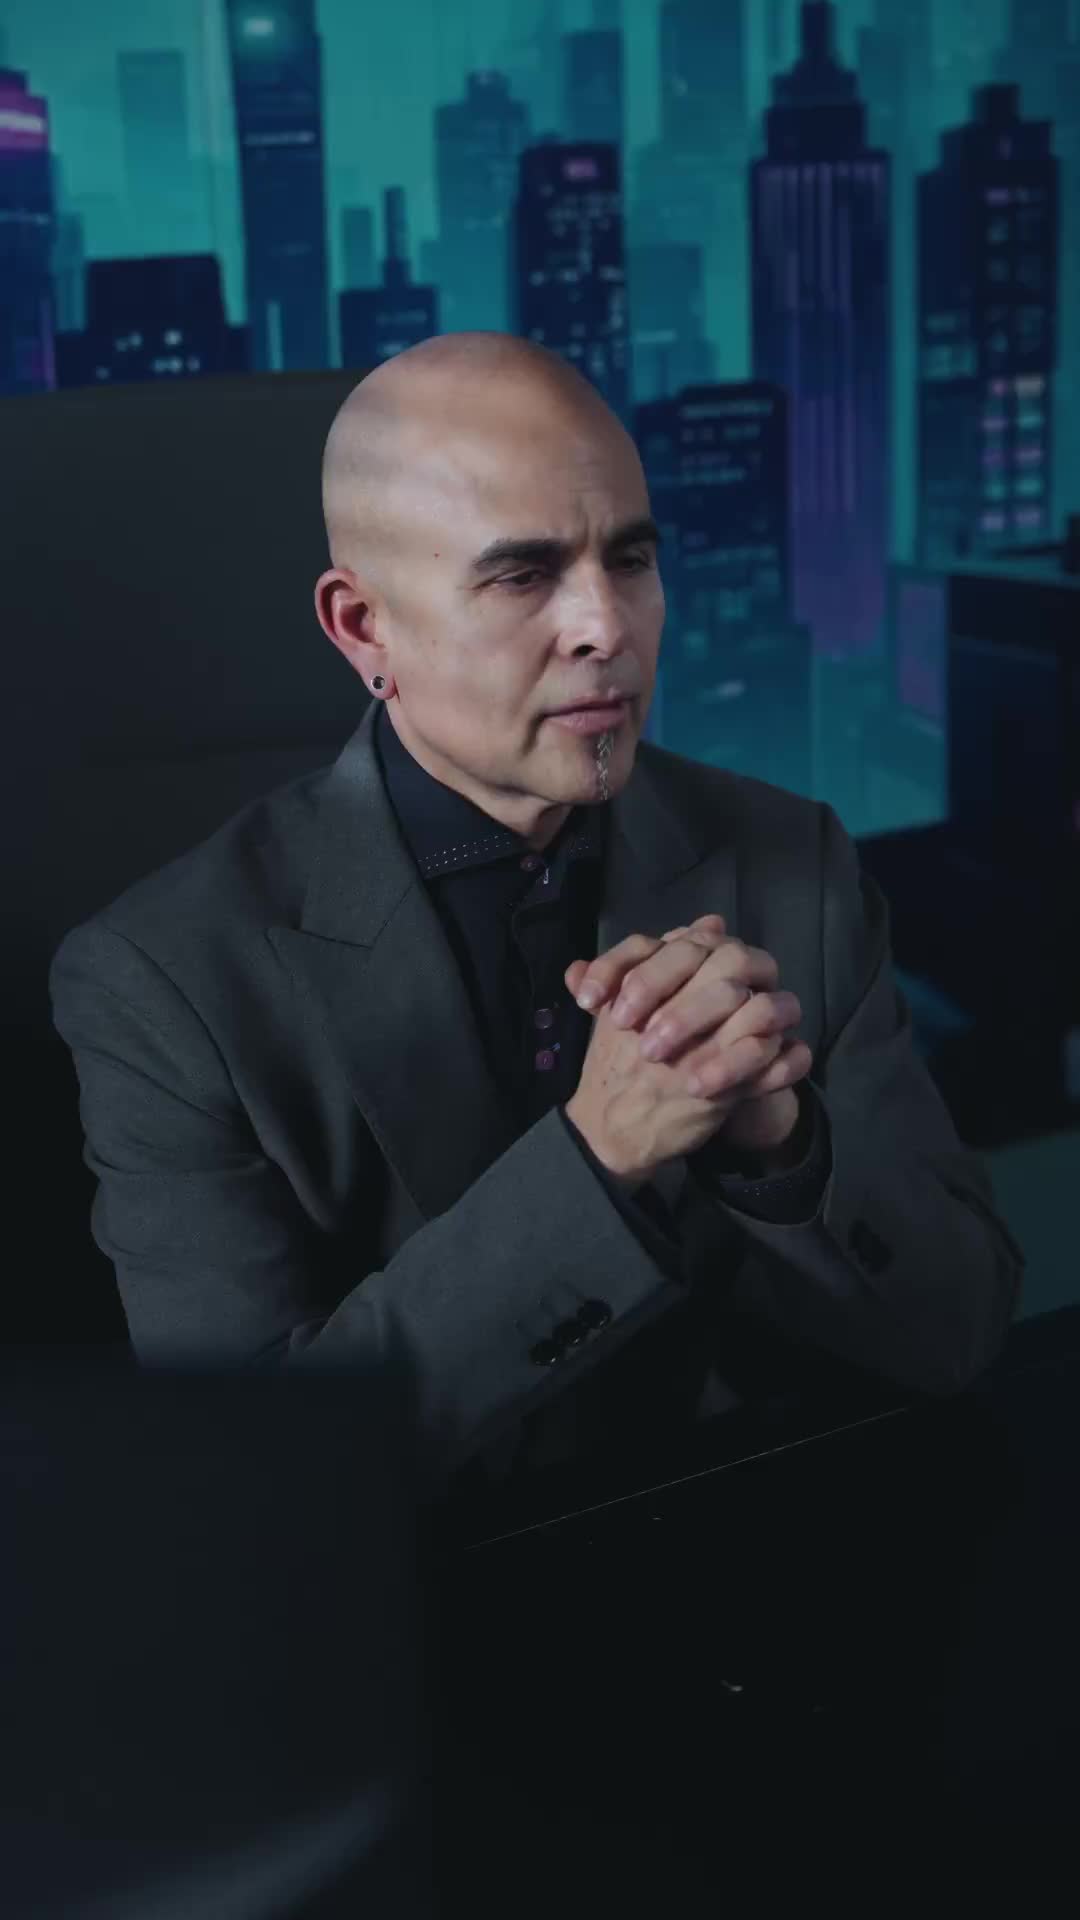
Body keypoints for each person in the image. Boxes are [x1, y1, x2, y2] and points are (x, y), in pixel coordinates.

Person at [48, 330, 1025, 1498]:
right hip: (419, 1594)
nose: (607, 627)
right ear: (363, 627)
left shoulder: (790, 860)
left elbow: (960, 1332)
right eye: (522, 576)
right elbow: (253, 1483)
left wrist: (785, 1151)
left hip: (771, 1541)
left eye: (632, 558)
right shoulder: (162, 983)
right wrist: (597, 1162)